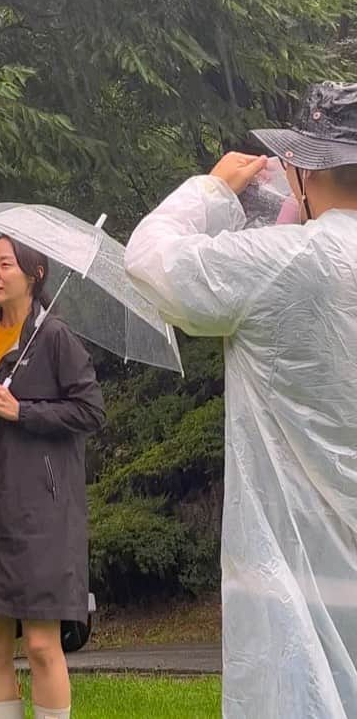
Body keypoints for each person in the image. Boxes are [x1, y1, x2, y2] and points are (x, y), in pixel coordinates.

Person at [124, 81, 357, 718]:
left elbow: (150, 261)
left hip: (294, 556)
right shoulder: (297, 255)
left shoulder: (289, 261)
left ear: (302, 168)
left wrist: (211, 191)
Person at [0, 235, 104, 719]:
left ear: (34, 274)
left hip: (41, 514)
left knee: (38, 643)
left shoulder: (54, 337)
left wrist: (24, 410)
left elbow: (91, 411)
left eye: (5, 264)